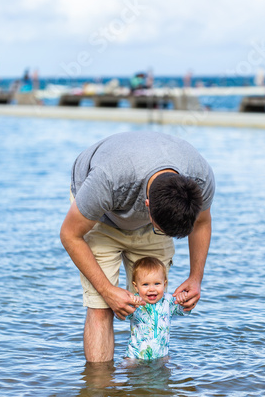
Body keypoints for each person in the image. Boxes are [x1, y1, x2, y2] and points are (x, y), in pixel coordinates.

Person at [60, 131, 215, 362]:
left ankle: (147, 390)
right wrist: (106, 290)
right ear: (147, 206)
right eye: (161, 230)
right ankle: (100, 393)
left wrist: (196, 277)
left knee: (153, 301)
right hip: (99, 215)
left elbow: (202, 223)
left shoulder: (200, 179)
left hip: (141, 194)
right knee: (102, 307)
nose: (164, 235)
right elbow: (69, 235)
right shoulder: (107, 179)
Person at [125, 256, 190, 361]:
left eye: (157, 284)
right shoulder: (135, 302)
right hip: (135, 356)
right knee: (122, 372)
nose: (152, 289)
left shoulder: (168, 301)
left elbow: (182, 311)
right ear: (136, 286)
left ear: (164, 284)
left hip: (161, 356)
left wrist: (183, 301)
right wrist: (130, 307)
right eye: (145, 284)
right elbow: (121, 315)